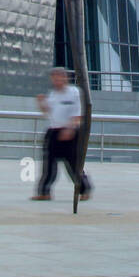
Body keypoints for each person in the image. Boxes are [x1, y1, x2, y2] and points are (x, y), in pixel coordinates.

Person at [32, 67, 92, 201]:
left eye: (60, 77)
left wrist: (70, 129)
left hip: (69, 131)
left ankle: (84, 189)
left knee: (73, 164)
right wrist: (41, 102)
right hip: (53, 131)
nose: (57, 80)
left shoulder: (74, 92)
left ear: (65, 78)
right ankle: (44, 192)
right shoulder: (53, 93)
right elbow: (46, 112)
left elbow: (78, 113)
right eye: (54, 77)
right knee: (48, 163)